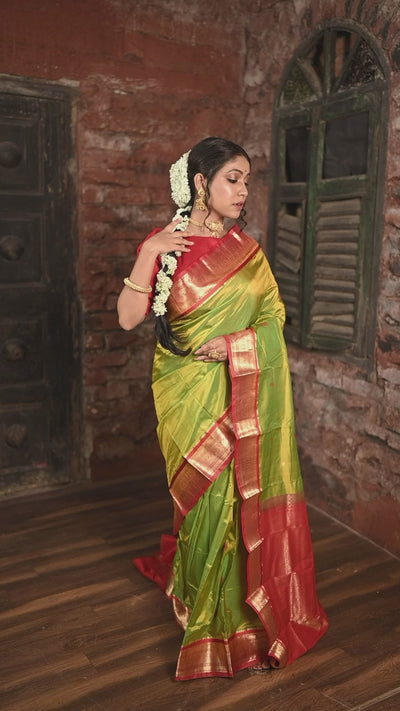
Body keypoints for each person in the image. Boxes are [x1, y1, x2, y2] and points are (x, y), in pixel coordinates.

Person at [117, 137, 328, 681]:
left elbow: (273, 318)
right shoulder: (167, 245)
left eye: (247, 181)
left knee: (237, 501)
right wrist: (148, 251)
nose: (242, 191)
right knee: (205, 503)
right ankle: (202, 606)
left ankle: (237, 624)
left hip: (240, 391)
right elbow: (127, 318)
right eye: (232, 179)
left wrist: (236, 345)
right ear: (200, 182)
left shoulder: (249, 253)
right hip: (187, 394)